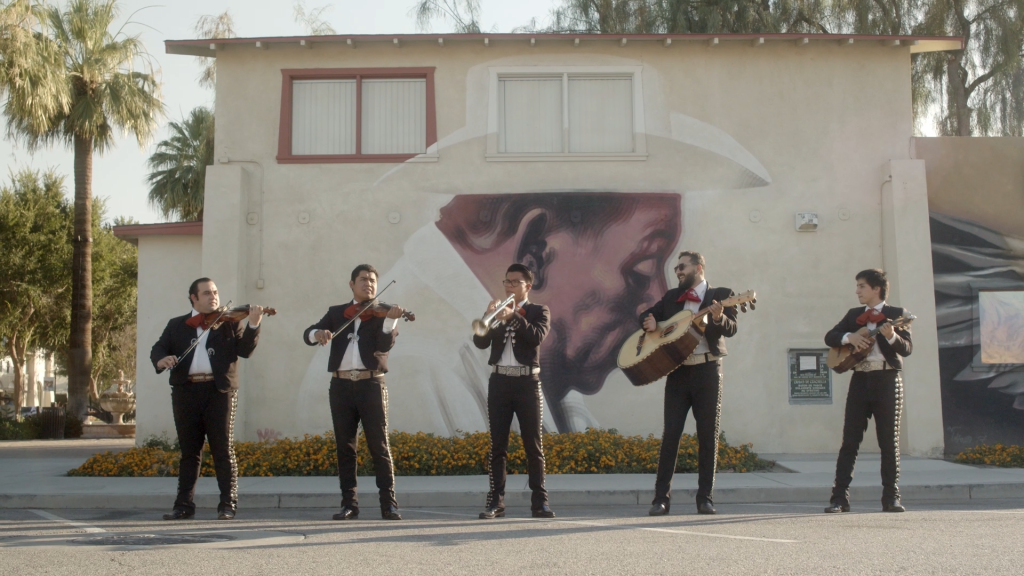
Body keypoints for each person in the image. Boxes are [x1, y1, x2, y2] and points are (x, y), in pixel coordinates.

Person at [151, 278, 264, 520]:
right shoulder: (177, 325)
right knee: (189, 451)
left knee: (222, 449)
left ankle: (228, 504)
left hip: (219, 392)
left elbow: (244, 351)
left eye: (215, 292)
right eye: (206, 293)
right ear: (193, 298)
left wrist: (253, 325)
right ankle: (183, 505)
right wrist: (162, 360)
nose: (213, 297)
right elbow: (158, 349)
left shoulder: (229, 323)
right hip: (186, 391)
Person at [303, 264, 406, 521]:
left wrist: (391, 319)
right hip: (340, 385)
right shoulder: (337, 313)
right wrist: (319, 334)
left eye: (372, 280)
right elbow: (307, 334)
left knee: (379, 445)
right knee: (345, 446)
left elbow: (384, 346)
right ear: (352, 284)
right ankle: (349, 504)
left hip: (370, 384)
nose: (368, 284)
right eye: (363, 279)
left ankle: (389, 504)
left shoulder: (383, 313)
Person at [642, 251, 737, 516]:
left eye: (682, 267)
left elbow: (731, 328)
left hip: (708, 371)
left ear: (699, 267)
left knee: (707, 437)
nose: (678, 271)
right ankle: (661, 499)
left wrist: (718, 318)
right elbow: (646, 314)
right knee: (670, 436)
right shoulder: (672, 297)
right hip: (678, 374)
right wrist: (648, 321)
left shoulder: (722, 294)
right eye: (676, 268)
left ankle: (705, 498)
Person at [824, 269, 912, 514]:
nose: (857, 291)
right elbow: (829, 337)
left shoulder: (897, 315)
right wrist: (849, 337)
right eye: (857, 286)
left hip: (887, 379)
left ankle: (891, 497)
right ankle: (839, 498)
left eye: (862, 286)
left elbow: (906, 349)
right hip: (860, 379)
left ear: (877, 289)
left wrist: (892, 335)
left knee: (889, 442)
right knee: (849, 441)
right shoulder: (854, 315)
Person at [474, 264, 555, 519]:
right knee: (497, 445)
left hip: (527, 383)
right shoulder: (498, 312)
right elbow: (480, 341)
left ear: (527, 286)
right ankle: (495, 501)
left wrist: (513, 317)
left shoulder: (538, 311)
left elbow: (536, 337)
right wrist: (489, 318)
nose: (508, 286)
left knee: (533, 444)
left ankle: (539, 502)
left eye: (514, 282)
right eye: (506, 281)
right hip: (499, 382)